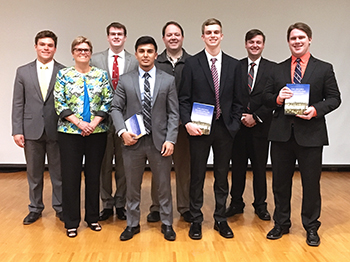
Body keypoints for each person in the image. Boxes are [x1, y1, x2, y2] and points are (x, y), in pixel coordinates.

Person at [263, 22, 341, 246]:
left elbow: (335, 98)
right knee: (280, 183)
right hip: (281, 135)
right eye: (293, 38)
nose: (297, 42)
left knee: (311, 183)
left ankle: (311, 226)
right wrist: (278, 98)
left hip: (311, 134)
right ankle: (281, 224)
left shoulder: (324, 68)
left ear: (309, 40)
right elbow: (266, 99)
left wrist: (315, 110)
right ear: (288, 42)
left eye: (301, 38)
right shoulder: (277, 69)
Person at [179, 18, 243, 239]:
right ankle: (196, 219)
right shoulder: (192, 64)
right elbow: (184, 99)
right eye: (208, 32)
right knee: (197, 175)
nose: (213, 35)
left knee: (222, 176)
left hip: (225, 128)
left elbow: (239, 100)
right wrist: (187, 123)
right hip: (199, 129)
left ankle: (220, 218)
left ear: (222, 36)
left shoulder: (234, 65)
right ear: (203, 37)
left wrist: (233, 125)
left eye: (216, 32)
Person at [110, 36, 179, 241]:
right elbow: (115, 108)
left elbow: (174, 113)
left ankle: (167, 223)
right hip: (133, 142)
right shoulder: (125, 79)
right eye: (141, 51)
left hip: (160, 143)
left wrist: (171, 139)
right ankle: (132, 224)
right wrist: (122, 132)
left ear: (156, 55)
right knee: (132, 185)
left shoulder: (168, 80)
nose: (146, 55)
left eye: (150, 51)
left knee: (164, 185)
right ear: (136, 54)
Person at [54, 36, 112, 238]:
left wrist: (93, 123)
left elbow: (107, 101)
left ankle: (93, 218)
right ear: (72, 53)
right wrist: (79, 123)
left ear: (91, 52)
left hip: (97, 133)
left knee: (94, 175)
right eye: (79, 49)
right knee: (70, 177)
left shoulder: (101, 75)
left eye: (86, 50)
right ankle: (71, 221)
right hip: (70, 133)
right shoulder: (63, 75)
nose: (83, 52)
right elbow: (59, 103)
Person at [12, 30, 64, 225]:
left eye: (50, 45)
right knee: (34, 173)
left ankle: (59, 207)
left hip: (57, 129)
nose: (46, 48)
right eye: (42, 45)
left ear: (55, 49)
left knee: (58, 172)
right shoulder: (22, 71)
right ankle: (35, 208)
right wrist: (17, 129)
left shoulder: (63, 71)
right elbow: (18, 103)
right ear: (36, 47)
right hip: (31, 129)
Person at [90, 22, 138, 221]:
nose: (116, 37)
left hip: (126, 121)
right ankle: (106, 203)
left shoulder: (133, 61)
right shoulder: (95, 59)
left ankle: (121, 203)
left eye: (120, 34)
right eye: (113, 34)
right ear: (108, 37)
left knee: (124, 164)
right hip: (100, 121)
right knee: (103, 164)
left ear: (125, 37)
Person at [226, 29, 275, 221]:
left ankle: (260, 205)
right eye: (251, 42)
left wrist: (256, 116)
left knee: (260, 169)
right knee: (237, 167)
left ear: (263, 45)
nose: (255, 45)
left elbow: (273, 100)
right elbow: (228, 95)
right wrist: (239, 117)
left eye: (259, 42)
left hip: (261, 128)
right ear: (245, 44)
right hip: (238, 128)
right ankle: (236, 203)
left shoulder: (273, 69)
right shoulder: (235, 67)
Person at [147, 21, 192, 223]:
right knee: (159, 168)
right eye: (169, 34)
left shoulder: (192, 62)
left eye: (177, 34)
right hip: (160, 127)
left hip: (185, 126)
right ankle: (157, 207)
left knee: (184, 167)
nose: (173, 37)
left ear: (182, 37)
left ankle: (185, 206)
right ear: (163, 39)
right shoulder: (155, 63)